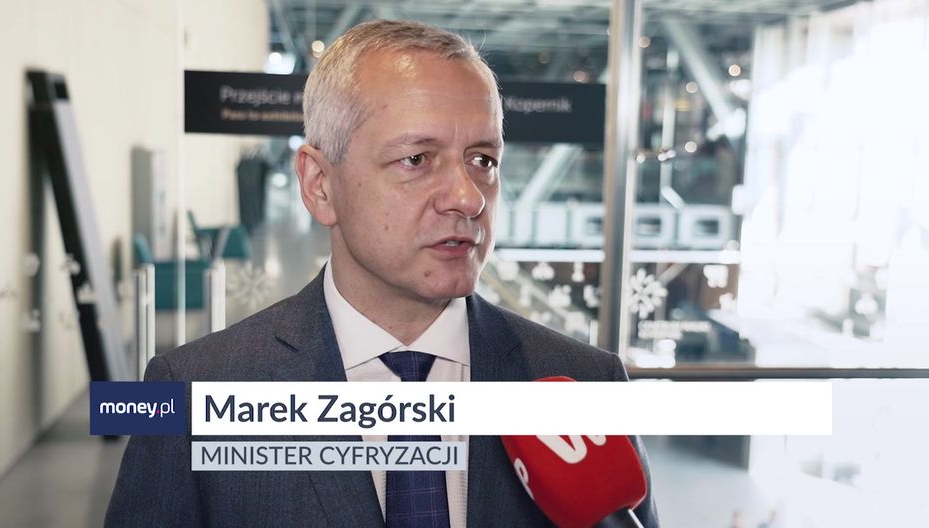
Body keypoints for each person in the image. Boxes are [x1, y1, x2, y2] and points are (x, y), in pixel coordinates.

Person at [106, 19, 659, 527]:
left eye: (483, 160)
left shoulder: (586, 385)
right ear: (320, 186)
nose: (468, 198)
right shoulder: (193, 392)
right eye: (417, 159)